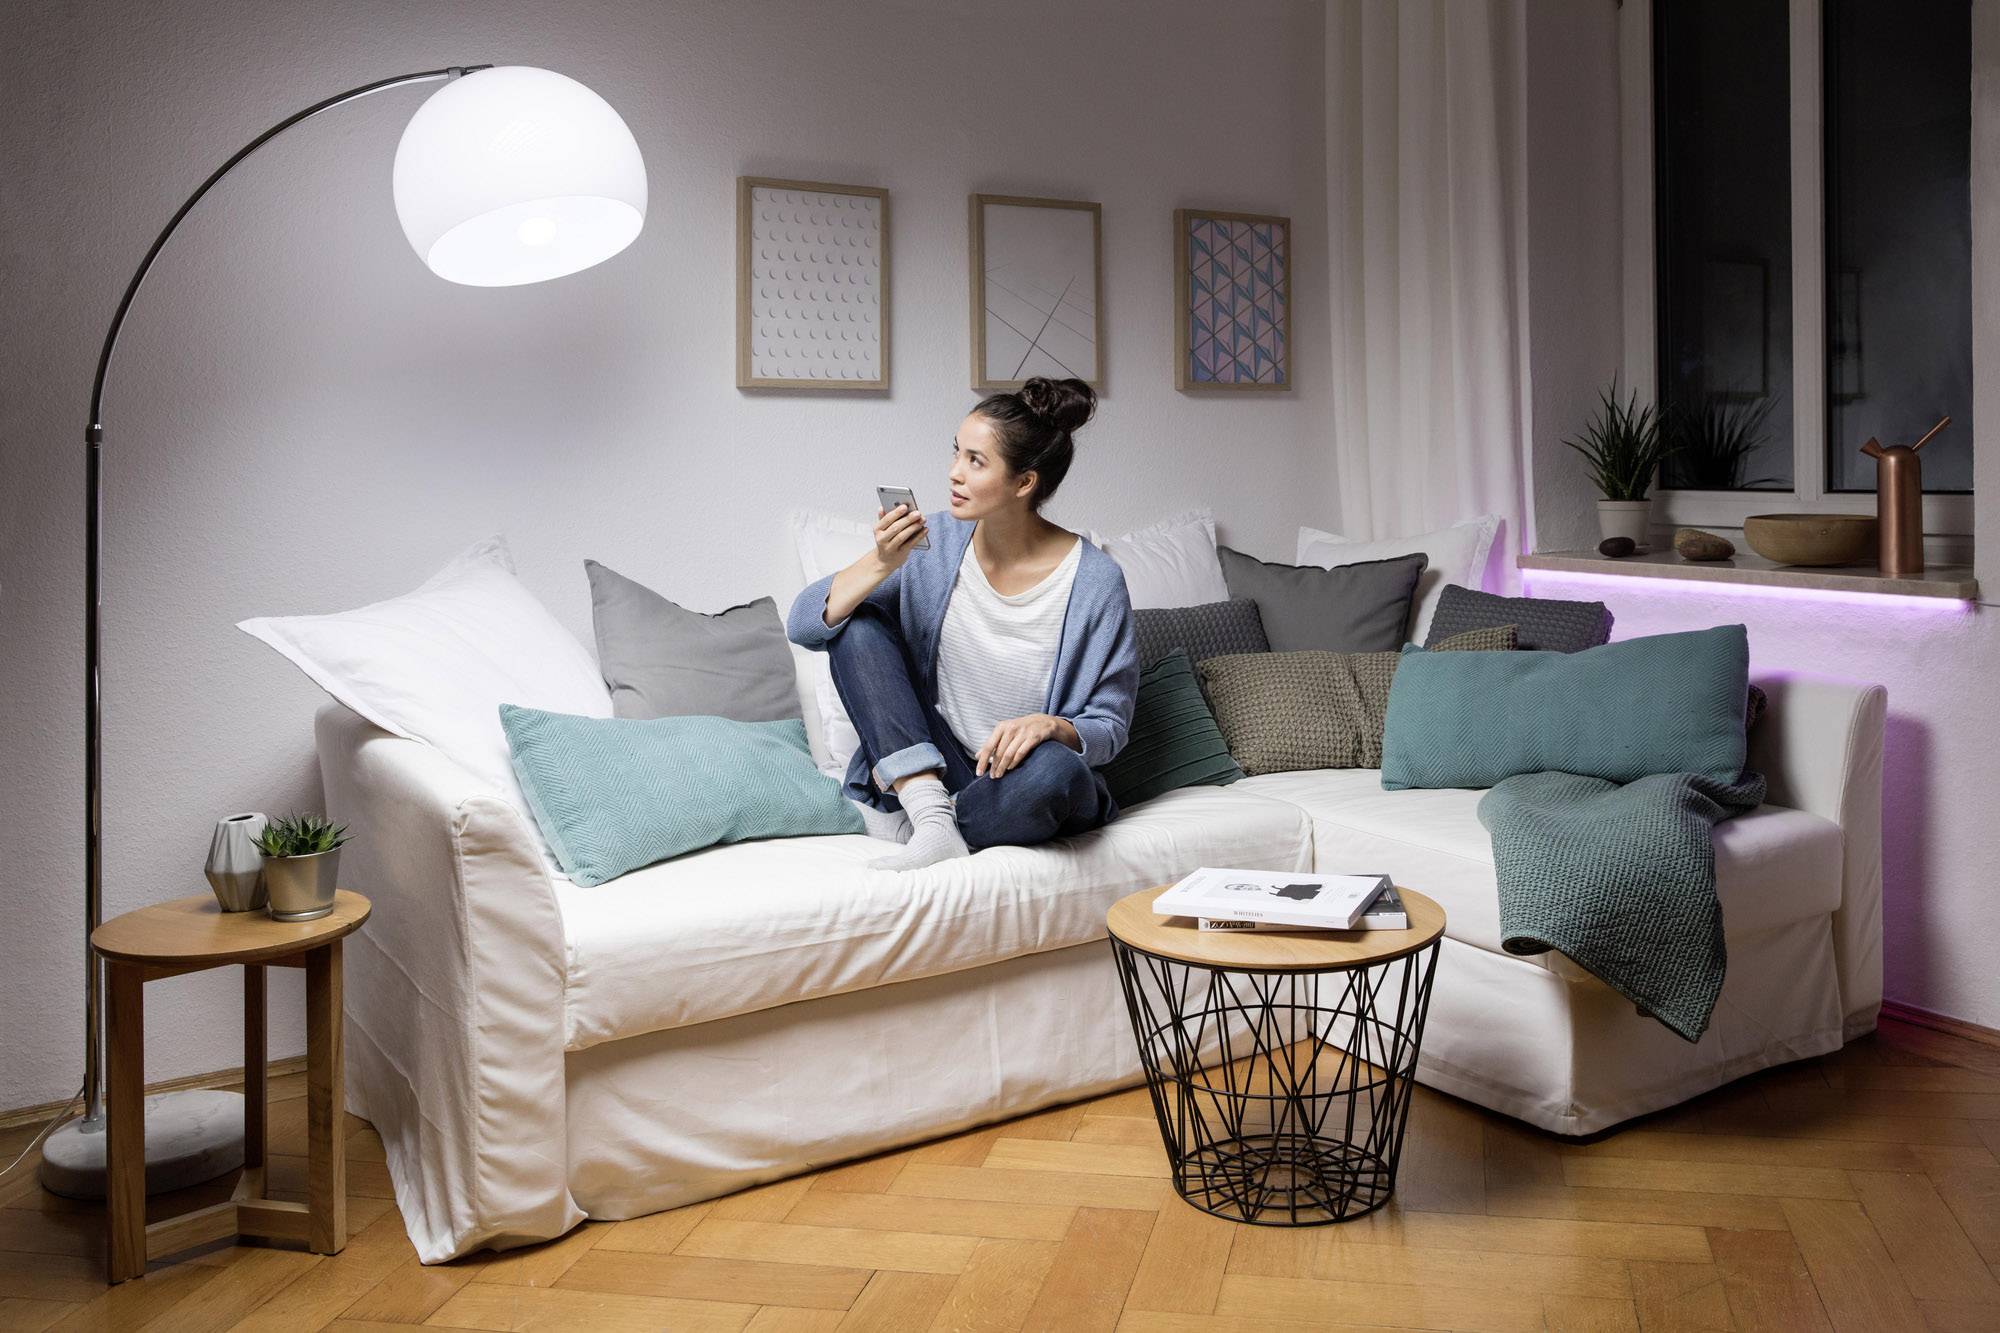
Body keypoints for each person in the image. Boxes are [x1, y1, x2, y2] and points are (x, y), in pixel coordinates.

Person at [786, 376, 1139, 871]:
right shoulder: (936, 547)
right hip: (938, 766)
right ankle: (933, 819)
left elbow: (1110, 724)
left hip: (1017, 777)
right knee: (857, 623)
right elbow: (805, 624)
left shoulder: (1095, 580)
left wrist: (1054, 728)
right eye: (956, 453)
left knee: (1058, 771)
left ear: (1023, 482)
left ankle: (927, 828)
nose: (954, 473)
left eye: (975, 461)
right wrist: (882, 563)